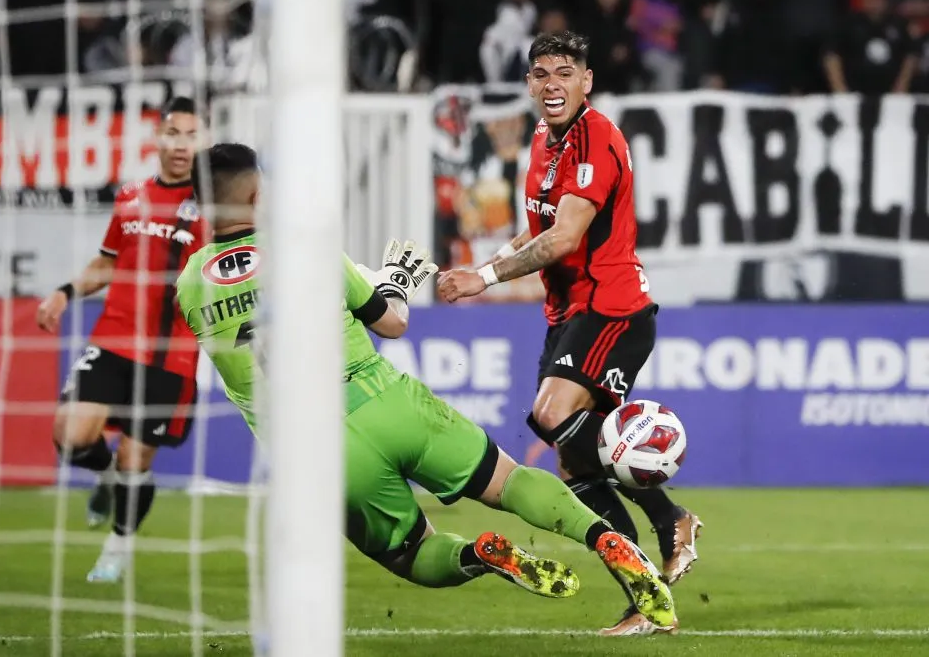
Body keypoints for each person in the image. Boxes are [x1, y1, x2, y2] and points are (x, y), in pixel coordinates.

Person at [174, 143, 677, 632]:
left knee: (410, 554)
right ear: (260, 194)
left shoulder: (190, 285)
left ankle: (480, 554)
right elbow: (392, 324)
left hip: (313, 450)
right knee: (511, 481)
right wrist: (392, 284)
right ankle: (602, 535)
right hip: (386, 400)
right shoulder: (305, 248)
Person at [437, 31, 700, 636]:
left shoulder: (596, 137)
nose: (551, 83)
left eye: (564, 72)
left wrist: (483, 277)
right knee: (575, 469)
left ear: (587, 81)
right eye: (540, 73)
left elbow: (565, 238)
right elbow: (537, 233)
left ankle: (671, 519)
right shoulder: (540, 141)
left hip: (613, 308)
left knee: (551, 412)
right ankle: (645, 596)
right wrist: (483, 264)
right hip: (567, 317)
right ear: (529, 83)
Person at [37, 96, 206, 583]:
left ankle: (117, 547)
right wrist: (66, 291)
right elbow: (107, 261)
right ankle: (107, 479)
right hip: (113, 339)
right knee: (68, 436)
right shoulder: (131, 195)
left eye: (192, 135)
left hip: (170, 356)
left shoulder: (214, 206)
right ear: (157, 137)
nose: (181, 145)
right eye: (173, 133)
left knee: (137, 458)